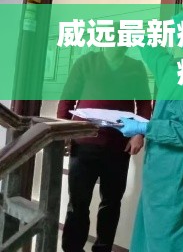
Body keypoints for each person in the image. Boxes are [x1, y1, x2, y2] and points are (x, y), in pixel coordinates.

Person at [117, 12, 183, 252]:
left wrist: (145, 127)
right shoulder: (171, 67)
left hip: (175, 175)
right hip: (158, 172)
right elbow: (153, 53)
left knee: (166, 239)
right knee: (148, 233)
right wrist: (140, 31)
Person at [58, 44, 152, 252]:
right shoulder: (86, 62)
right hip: (84, 144)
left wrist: (139, 133)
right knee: (78, 202)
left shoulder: (135, 67)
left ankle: (103, 248)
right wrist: (63, 133)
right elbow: (67, 99)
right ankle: (72, 249)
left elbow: (144, 103)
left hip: (118, 146)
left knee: (111, 202)